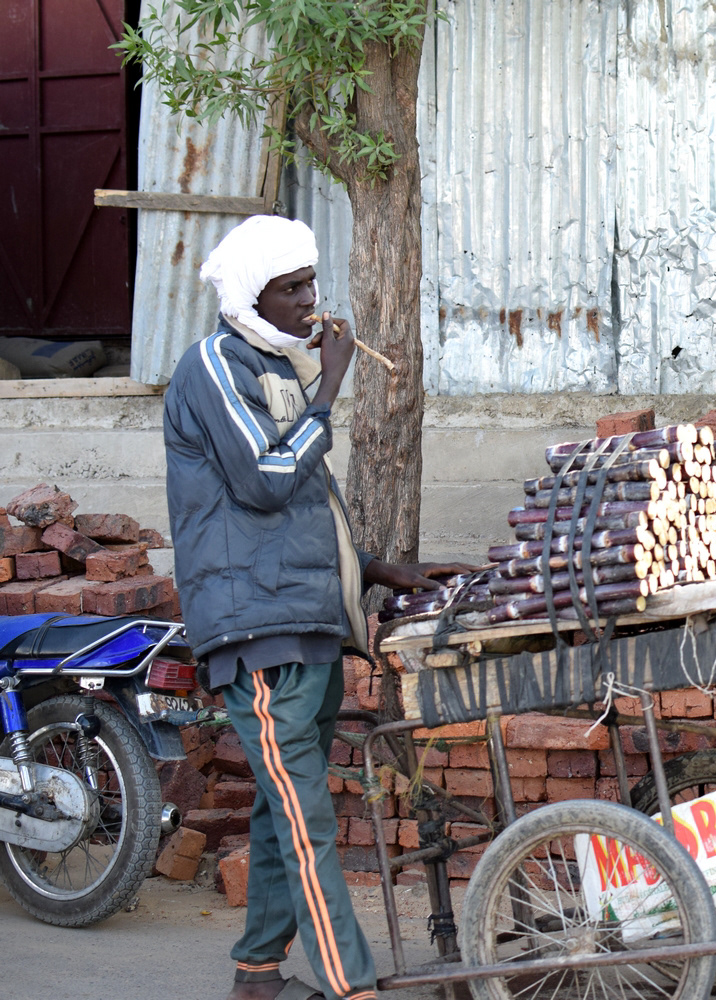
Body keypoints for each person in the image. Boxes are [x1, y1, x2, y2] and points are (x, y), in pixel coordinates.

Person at [165, 215, 469, 1000]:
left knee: (279, 813)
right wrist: (331, 386)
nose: (310, 300)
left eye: (310, 284)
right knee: (308, 824)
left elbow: (299, 505)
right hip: (257, 632)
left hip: (309, 626)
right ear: (252, 294)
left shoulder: (277, 368)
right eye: (292, 288)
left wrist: (375, 568)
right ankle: (352, 986)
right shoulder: (211, 366)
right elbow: (265, 478)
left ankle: (257, 974)